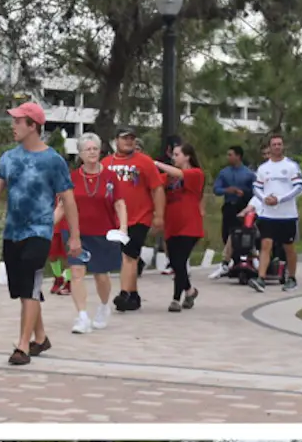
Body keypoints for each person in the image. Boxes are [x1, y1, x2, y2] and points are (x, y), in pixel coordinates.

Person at [0, 102, 82, 365]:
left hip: (40, 231)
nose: (13, 126)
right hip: (12, 232)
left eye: (18, 121)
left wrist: (74, 236)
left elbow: (68, 199)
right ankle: (40, 337)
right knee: (25, 289)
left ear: (33, 126)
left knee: (30, 283)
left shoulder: (53, 160)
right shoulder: (8, 158)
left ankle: (22, 346)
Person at [66, 133, 126, 333]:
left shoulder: (110, 176)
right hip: (78, 234)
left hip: (103, 233)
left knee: (101, 276)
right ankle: (82, 316)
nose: (91, 152)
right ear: (80, 153)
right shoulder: (72, 177)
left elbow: (119, 203)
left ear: (99, 151)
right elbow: (62, 205)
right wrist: (46, 225)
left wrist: (123, 227)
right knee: (76, 272)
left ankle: (103, 306)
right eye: (87, 149)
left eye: (94, 148)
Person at [102, 127, 164, 312]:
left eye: (132, 139)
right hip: (115, 218)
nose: (129, 142)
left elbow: (157, 188)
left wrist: (159, 215)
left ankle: (124, 294)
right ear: (116, 141)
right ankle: (134, 295)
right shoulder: (106, 163)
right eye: (125, 138)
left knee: (128, 255)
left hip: (139, 216)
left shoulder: (144, 162)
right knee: (129, 256)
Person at [156, 142, 205, 312]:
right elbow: (155, 184)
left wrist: (156, 163)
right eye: (173, 155)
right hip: (172, 225)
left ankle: (176, 299)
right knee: (176, 263)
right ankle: (190, 291)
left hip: (189, 225)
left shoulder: (195, 174)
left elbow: (180, 174)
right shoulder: (168, 177)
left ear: (187, 156)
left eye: (177, 155)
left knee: (179, 261)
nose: (174, 158)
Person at [252, 133, 302, 292]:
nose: (277, 147)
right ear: (269, 147)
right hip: (268, 214)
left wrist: (279, 199)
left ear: (283, 146)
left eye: (279, 144)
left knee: (289, 247)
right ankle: (261, 278)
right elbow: (256, 188)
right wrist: (265, 198)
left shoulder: (291, 166)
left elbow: (299, 187)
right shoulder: (263, 168)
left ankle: (292, 277)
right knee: (266, 245)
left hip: (287, 215)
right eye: (274, 144)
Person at [213, 146, 256, 245]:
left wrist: (244, 193)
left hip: (243, 207)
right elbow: (216, 189)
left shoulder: (249, 174)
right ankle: (230, 256)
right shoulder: (224, 173)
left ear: (238, 156)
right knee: (226, 234)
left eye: (230, 155)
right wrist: (227, 190)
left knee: (242, 234)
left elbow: (255, 192)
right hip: (229, 207)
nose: (228, 157)